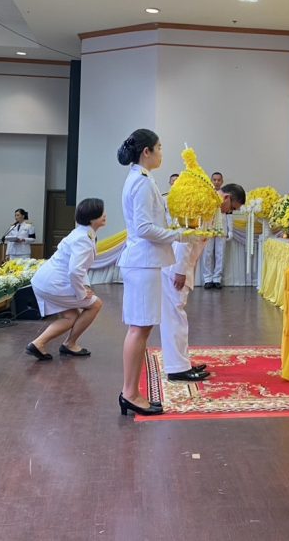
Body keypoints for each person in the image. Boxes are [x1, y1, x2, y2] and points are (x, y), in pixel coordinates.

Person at [116, 128, 195, 417]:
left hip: (145, 262)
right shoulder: (141, 181)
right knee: (139, 329)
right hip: (143, 262)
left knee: (142, 328)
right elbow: (143, 228)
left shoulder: (143, 178)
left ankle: (131, 392)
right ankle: (129, 393)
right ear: (146, 152)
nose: (162, 153)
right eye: (159, 148)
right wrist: (179, 235)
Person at [161, 183, 246, 381]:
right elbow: (187, 238)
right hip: (175, 267)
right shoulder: (204, 205)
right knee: (175, 317)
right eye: (232, 209)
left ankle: (181, 362)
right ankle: (177, 368)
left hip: (180, 266)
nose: (228, 213)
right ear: (226, 198)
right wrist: (180, 270)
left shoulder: (210, 207)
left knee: (177, 317)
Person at [25, 198, 106, 362]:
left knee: (71, 317)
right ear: (91, 218)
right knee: (95, 304)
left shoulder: (83, 233)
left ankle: (38, 343)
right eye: (101, 213)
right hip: (53, 284)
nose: (105, 215)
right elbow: (75, 271)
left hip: (46, 281)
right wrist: (82, 293)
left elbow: (79, 268)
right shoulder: (83, 238)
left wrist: (85, 286)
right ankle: (69, 343)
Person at [202, 171, 227, 289]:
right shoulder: (206, 194)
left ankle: (217, 278)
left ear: (222, 181)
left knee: (220, 253)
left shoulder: (225, 195)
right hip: (208, 226)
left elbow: (229, 213)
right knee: (207, 253)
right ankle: (207, 278)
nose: (216, 182)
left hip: (221, 226)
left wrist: (230, 230)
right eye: (214, 180)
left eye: (219, 180)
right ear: (211, 181)